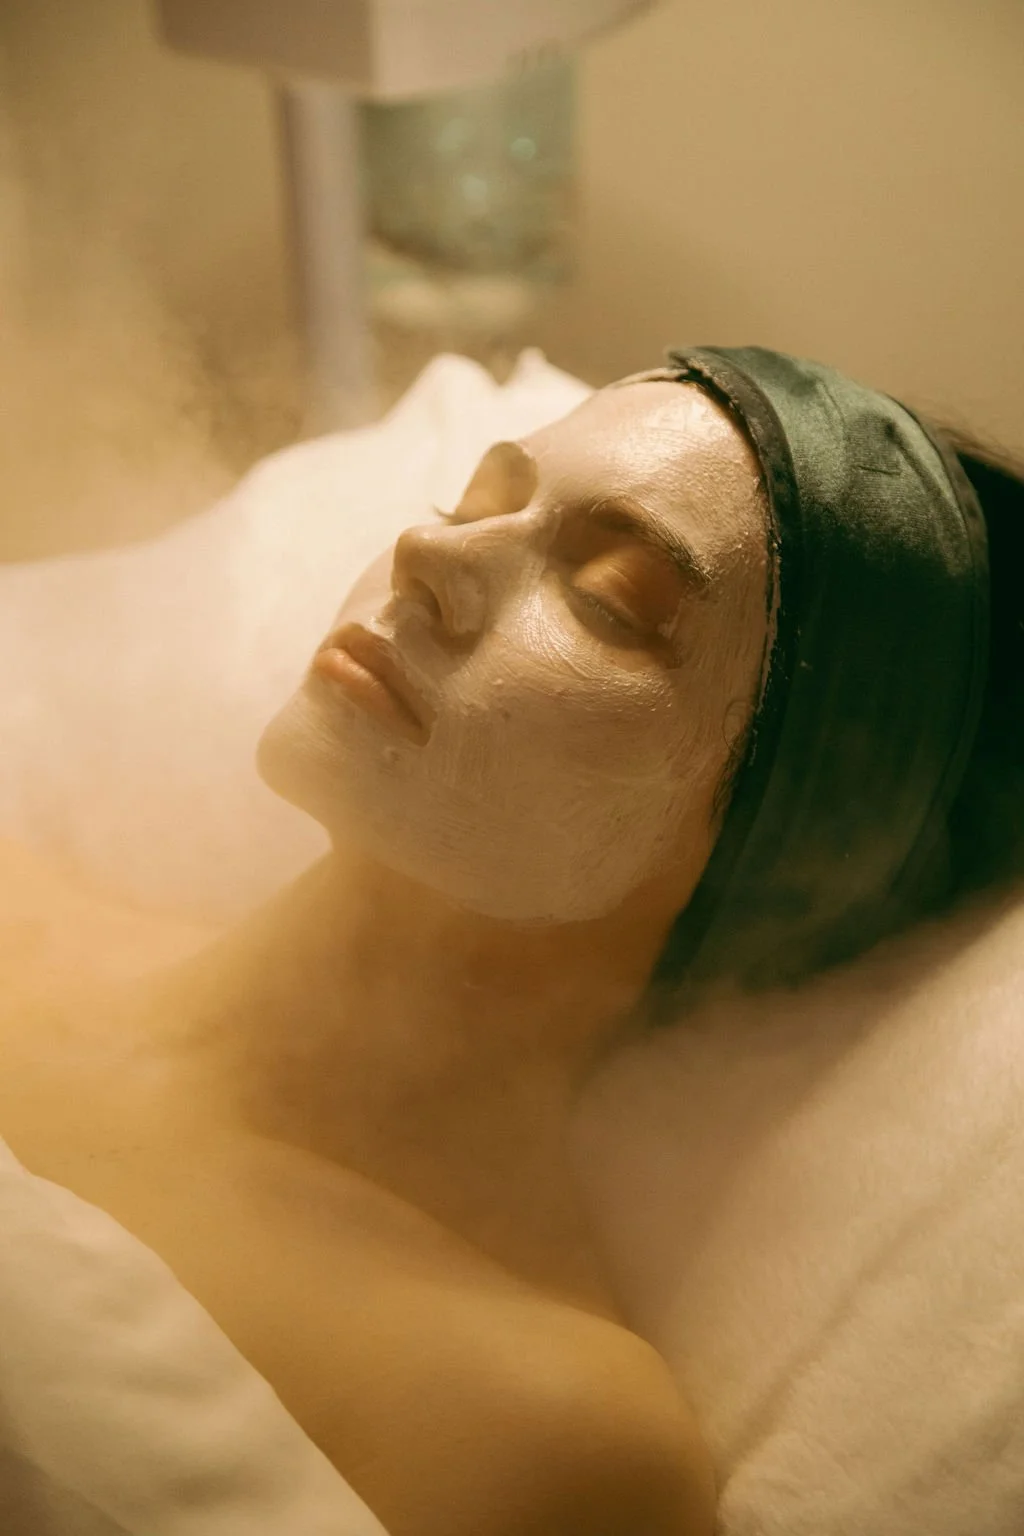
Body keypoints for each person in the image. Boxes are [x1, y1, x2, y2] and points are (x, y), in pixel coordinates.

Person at [0, 345, 1020, 1536]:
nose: (429, 554)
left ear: (771, 852)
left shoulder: (544, 1439)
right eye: (472, 504)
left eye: (611, 602)